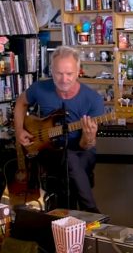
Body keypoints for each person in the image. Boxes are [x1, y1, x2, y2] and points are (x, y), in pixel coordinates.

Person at [14, 46, 104, 213]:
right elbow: (21, 103)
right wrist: (19, 130)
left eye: (69, 74)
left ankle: (73, 217)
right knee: (68, 160)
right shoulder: (40, 88)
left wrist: (88, 137)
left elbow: (86, 146)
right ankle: (91, 214)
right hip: (48, 149)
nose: (63, 79)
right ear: (51, 71)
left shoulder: (93, 100)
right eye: (58, 73)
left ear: (78, 71)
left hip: (81, 150)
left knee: (71, 159)